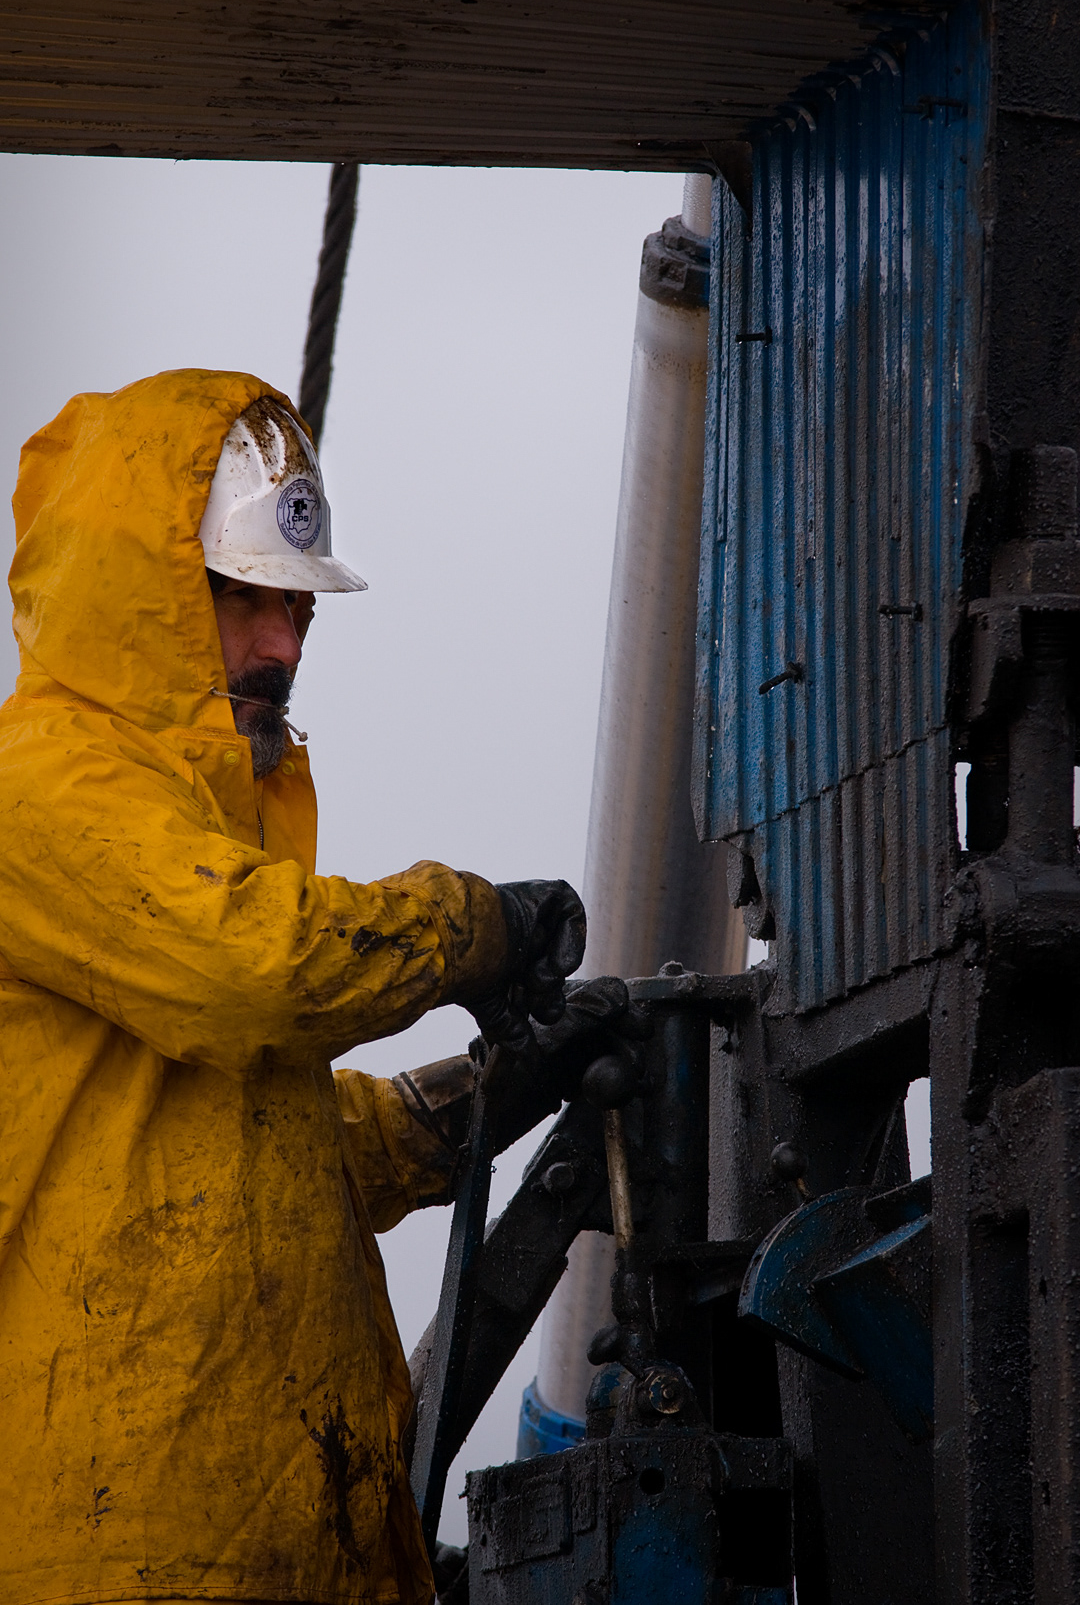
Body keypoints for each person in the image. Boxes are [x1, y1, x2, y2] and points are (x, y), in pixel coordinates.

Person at [0, 369, 632, 1605]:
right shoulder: (41, 790)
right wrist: (473, 925)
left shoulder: (195, 834)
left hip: (281, 1547)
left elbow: (253, 1150)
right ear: (144, 596)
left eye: (295, 607)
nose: (284, 645)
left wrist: (481, 1101)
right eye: (244, 599)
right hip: (119, 1543)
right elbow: (250, 969)